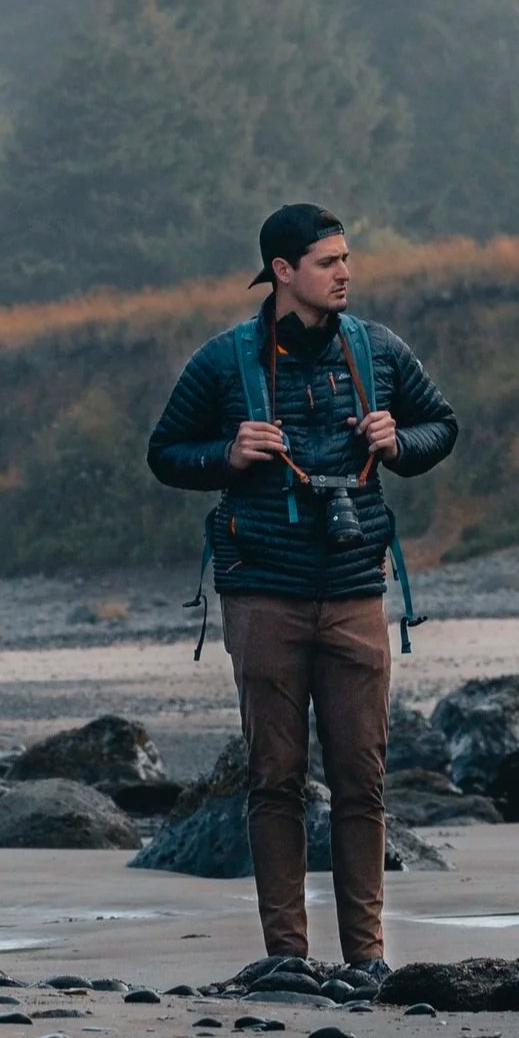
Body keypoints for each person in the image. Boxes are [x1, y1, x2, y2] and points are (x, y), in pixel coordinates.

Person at [148, 204, 459, 971]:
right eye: (328, 262)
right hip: (262, 595)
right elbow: (165, 454)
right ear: (283, 271)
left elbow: (441, 426)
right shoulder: (224, 362)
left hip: (356, 591)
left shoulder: (379, 349)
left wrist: (399, 440)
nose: (345, 273)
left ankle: (367, 959)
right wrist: (229, 452)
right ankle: (287, 958)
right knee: (274, 780)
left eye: (348, 259)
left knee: (363, 780)